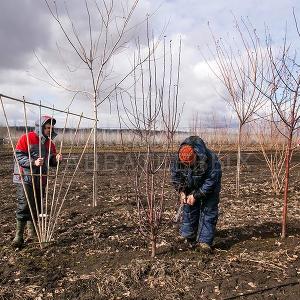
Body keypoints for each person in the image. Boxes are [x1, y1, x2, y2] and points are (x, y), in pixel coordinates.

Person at [12, 116, 62, 248]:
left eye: (51, 128)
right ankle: (18, 236)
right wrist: (33, 162)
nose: (49, 130)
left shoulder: (50, 143)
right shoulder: (26, 138)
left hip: (41, 179)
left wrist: (56, 159)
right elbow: (18, 156)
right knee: (25, 205)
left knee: (37, 205)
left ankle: (32, 233)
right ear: (40, 127)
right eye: (47, 127)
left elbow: (50, 161)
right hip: (25, 178)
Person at [171, 136, 222, 252]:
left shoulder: (212, 160)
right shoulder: (178, 159)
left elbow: (211, 182)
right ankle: (189, 235)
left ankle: (205, 242)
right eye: (185, 164)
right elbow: (176, 176)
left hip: (210, 186)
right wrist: (181, 191)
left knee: (208, 211)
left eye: (190, 162)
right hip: (190, 184)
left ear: (195, 154)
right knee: (189, 207)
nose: (188, 166)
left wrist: (196, 195)